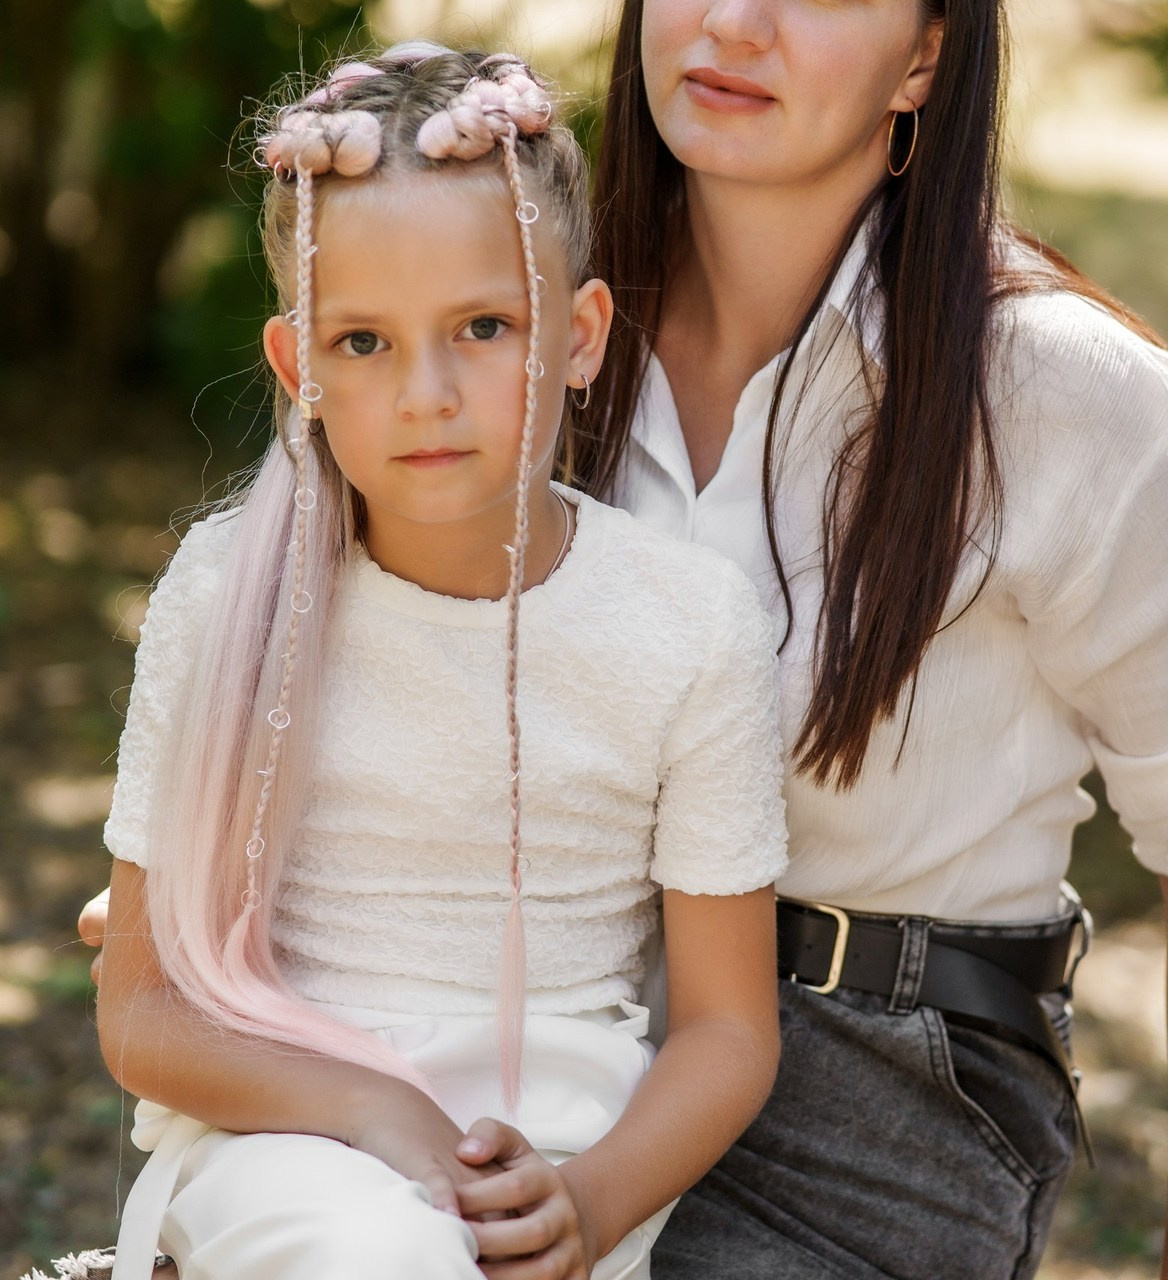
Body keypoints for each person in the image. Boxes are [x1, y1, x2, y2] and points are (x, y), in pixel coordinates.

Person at [571, 1, 1168, 1278]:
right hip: (544, 1007)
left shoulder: (1071, 400)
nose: (733, 21)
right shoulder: (523, 326)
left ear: (923, 57)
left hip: (869, 1087)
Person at [90, 41, 787, 1280]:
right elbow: (142, 1012)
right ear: (297, 368)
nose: (426, 392)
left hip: (553, 1158)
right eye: (363, 341)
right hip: (286, 1141)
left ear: (579, 335)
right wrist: (378, 1109)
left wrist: (588, 1202)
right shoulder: (226, 590)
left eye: (482, 326)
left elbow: (728, 1030)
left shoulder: (687, 624)